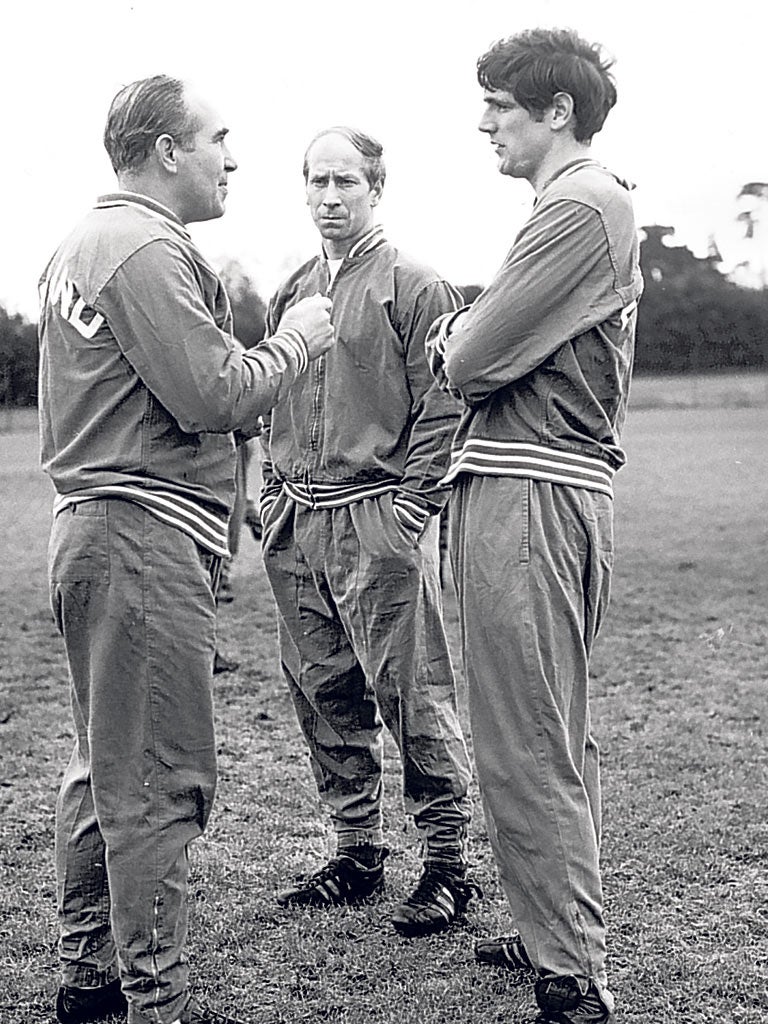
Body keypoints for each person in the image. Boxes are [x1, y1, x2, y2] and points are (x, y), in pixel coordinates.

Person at [39, 75, 334, 1024]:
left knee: (105, 767)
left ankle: (90, 984)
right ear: (167, 150)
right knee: (162, 776)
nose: (232, 157)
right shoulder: (143, 246)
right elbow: (214, 397)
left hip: (101, 531)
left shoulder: (86, 241)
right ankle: (152, 999)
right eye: (218, 138)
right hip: (139, 538)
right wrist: (297, 338)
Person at [426, 29, 642, 1024]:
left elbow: (470, 362)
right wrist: (470, 334)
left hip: (527, 492)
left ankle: (571, 977)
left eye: (501, 106)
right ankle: (554, 927)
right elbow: (488, 342)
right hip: (539, 491)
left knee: (524, 741)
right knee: (551, 732)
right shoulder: (577, 206)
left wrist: (459, 337)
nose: (485, 123)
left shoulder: (581, 203)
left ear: (556, 110)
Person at [259, 127, 477, 936]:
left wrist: (411, 507)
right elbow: (270, 395)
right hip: (297, 520)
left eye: (345, 181)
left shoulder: (416, 286)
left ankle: (449, 863)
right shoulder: (292, 291)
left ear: (376, 187)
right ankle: (356, 852)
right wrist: (272, 488)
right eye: (316, 181)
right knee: (322, 690)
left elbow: (445, 404)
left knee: (409, 691)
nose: (329, 197)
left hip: (375, 517)